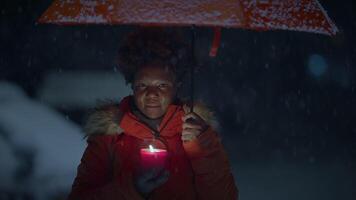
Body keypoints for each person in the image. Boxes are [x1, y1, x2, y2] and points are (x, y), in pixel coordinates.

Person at [67, 28, 238, 200]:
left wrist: (203, 146)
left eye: (162, 85)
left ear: (176, 86)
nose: (151, 93)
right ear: (132, 85)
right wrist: (133, 188)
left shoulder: (197, 133)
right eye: (142, 85)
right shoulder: (109, 137)